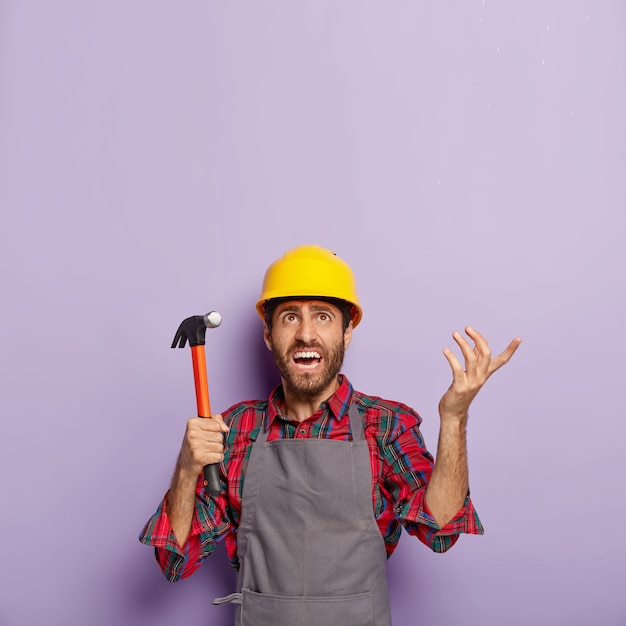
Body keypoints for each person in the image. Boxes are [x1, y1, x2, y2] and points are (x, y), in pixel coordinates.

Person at [139, 244, 521, 626]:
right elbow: (175, 560)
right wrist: (187, 470)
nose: (306, 334)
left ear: (347, 332)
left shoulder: (384, 425)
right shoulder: (234, 429)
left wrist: (453, 420)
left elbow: (440, 530)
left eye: (322, 316)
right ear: (269, 336)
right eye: (290, 318)